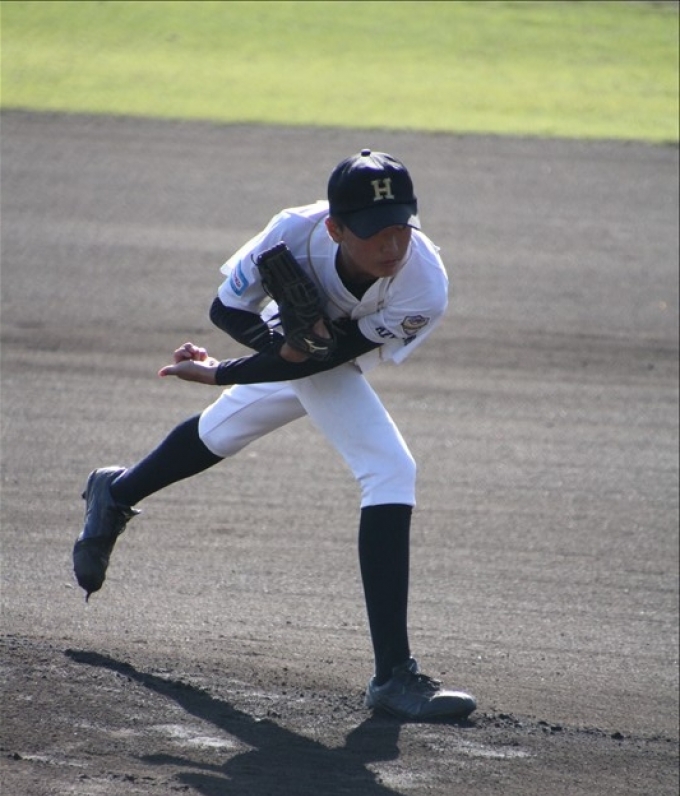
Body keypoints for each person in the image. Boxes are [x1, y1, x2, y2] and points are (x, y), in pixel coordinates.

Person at [73, 149, 476, 722]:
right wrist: (268, 350)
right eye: (373, 232)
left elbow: (326, 357)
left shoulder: (423, 286)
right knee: (389, 469)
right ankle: (393, 677)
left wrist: (225, 372)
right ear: (336, 228)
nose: (392, 246)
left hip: (334, 351)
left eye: (400, 228)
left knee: (225, 429)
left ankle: (114, 492)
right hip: (285, 339)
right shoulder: (292, 234)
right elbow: (227, 308)